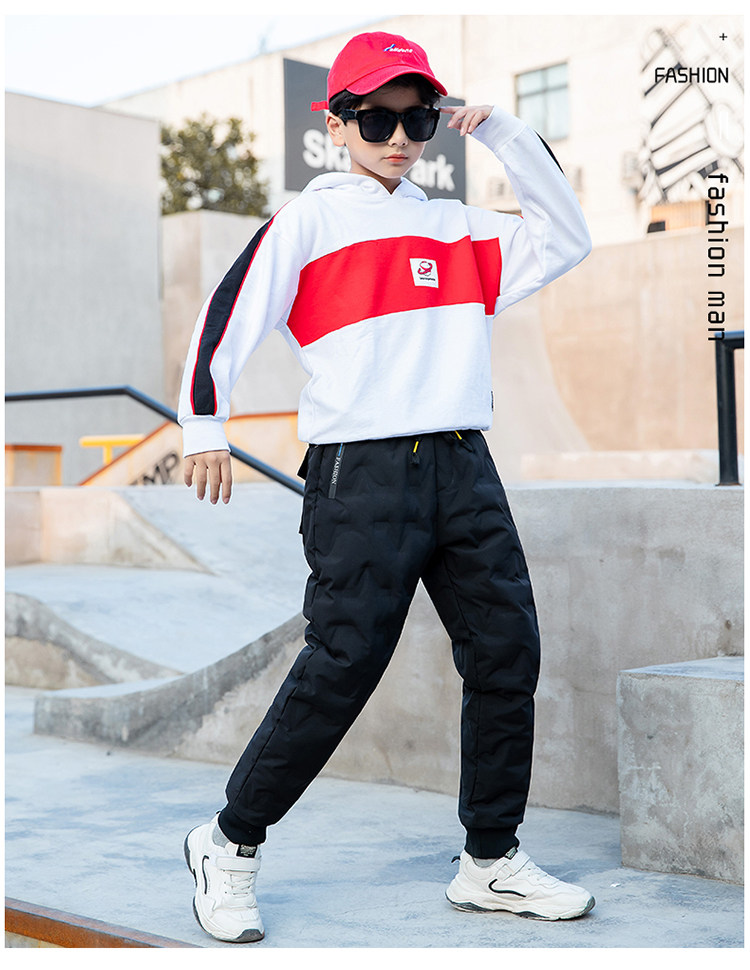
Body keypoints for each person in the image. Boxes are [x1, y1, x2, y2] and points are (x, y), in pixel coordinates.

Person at [179, 31, 594, 944]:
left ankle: (490, 860)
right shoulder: (308, 221)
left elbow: (568, 237)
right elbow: (226, 313)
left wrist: (504, 134)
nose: (399, 137)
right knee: (343, 663)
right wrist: (204, 423)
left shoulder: (460, 227)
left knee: (506, 654)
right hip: (359, 472)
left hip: (463, 461)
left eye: (417, 119)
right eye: (376, 119)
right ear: (337, 124)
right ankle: (228, 842)